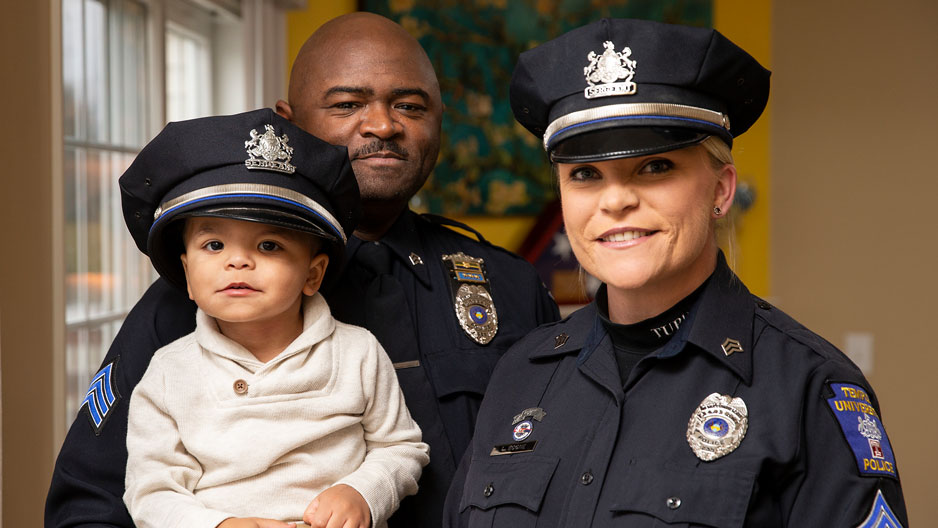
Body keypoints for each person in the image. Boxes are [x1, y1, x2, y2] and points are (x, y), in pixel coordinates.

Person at [45, 12, 559, 528]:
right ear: (288, 124)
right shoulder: (191, 301)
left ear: (439, 120)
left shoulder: (509, 286)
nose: (383, 124)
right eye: (347, 104)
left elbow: (561, 468)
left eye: (409, 105)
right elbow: (91, 507)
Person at [444, 18, 907, 527]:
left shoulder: (808, 388)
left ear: (721, 190)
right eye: (585, 174)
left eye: (655, 167)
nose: (616, 199)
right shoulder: (520, 375)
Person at [119, 108, 428, 528]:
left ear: (312, 274)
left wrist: (364, 493)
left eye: (268, 246)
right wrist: (220, 524)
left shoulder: (357, 352)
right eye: (213, 245)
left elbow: (402, 448)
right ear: (187, 276)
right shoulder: (169, 373)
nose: (238, 261)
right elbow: (151, 491)